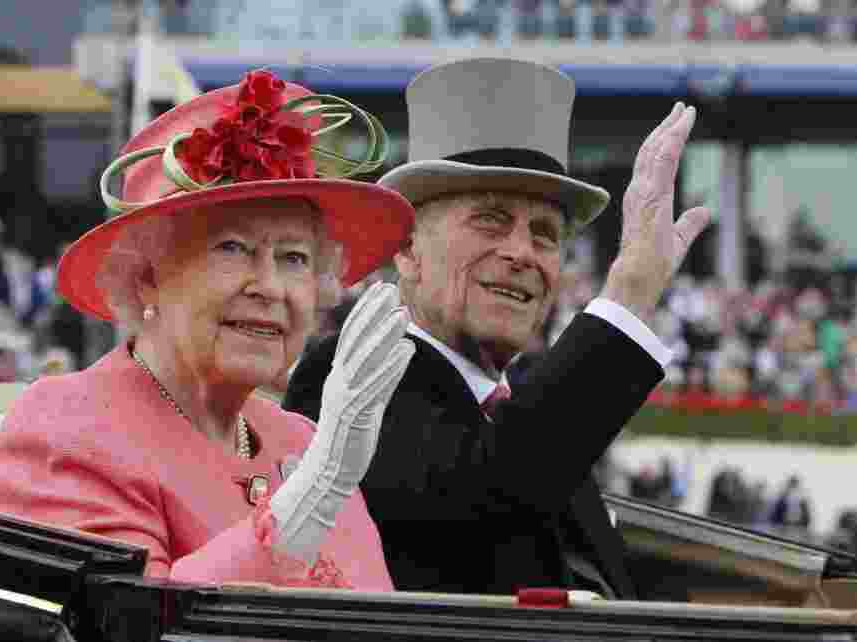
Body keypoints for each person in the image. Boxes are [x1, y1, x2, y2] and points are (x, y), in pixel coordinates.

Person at [284, 58, 711, 597]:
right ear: (409, 249)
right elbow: (485, 494)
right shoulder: (346, 373)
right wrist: (628, 295)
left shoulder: (527, 412)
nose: (521, 254)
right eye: (490, 219)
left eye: (544, 235)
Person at [0, 69, 417, 589]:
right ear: (147, 277)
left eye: (294, 258)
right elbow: (124, 622)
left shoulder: (302, 441)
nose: (271, 286)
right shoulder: (68, 425)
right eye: (232, 249)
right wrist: (312, 495)